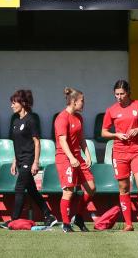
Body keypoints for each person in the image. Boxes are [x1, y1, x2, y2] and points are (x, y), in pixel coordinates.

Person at [0, 90, 57, 229]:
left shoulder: (31, 120)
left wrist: (35, 162)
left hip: (28, 159)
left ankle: (13, 220)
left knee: (19, 188)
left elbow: (37, 142)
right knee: (31, 190)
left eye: (14, 103)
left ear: (23, 103)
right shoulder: (15, 121)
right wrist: (14, 161)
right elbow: (17, 143)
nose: (11, 106)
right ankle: (49, 215)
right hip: (19, 160)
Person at [101, 80, 138, 232]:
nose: (119, 97)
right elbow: (103, 132)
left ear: (128, 93)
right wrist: (115, 134)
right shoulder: (111, 110)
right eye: (116, 94)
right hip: (119, 151)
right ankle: (128, 224)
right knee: (123, 187)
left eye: (122, 94)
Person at [55, 87, 95, 233]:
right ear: (73, 101)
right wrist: (71, 158)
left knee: (91, 188)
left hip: (78, 158)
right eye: (82, 101)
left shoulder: (79, 118)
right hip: (65, 158)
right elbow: (63, 141)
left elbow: (81, 139)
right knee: (69, 192)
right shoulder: (62, 118)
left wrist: (88, 155)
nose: (83, 103)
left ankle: (78, 217)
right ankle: (65, 223)